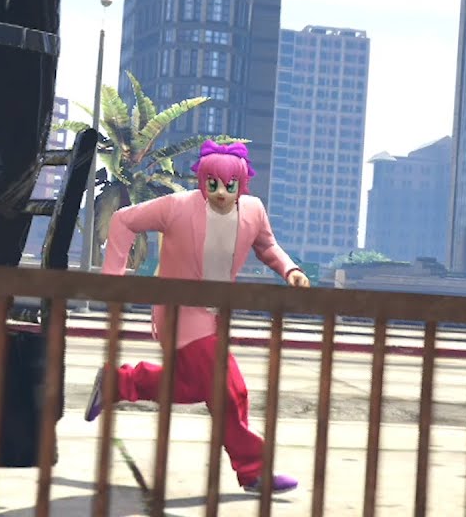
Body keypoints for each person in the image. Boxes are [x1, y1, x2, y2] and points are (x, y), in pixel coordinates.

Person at [83, 139, 310, 495]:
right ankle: (254, 470)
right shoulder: (177, 206)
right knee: (230, 392)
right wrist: (114, 278)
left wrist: (290, 270)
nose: (220, 193)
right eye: (212, 184)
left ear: (242, 184)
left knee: (191, 387)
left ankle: (119, 383)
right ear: (202, 181)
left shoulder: (253, 211)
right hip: (180, 314)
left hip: (214, 317)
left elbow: (267, 246)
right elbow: (124, 220)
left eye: (229, 186)